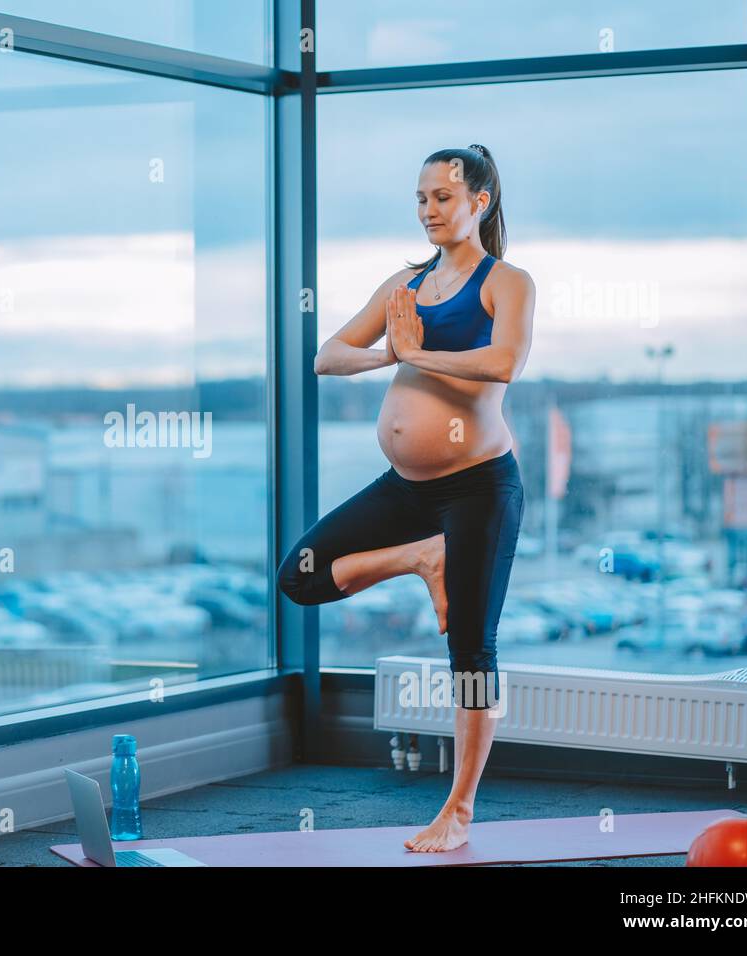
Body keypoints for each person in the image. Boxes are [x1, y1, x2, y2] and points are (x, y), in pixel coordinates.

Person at [277, 144, 536, 852]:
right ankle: (423, 559)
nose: (428, 210)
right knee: (299, 576)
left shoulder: (505, 282)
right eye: (421, 198)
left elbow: (505, 361)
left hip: (478, 489)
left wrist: (418, 353)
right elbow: (327, 354)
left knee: (472, 653)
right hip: (406, 493)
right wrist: (386, 354)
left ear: (479, 202)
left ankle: (458, 808)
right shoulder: (405, 284)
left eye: (443, 198)